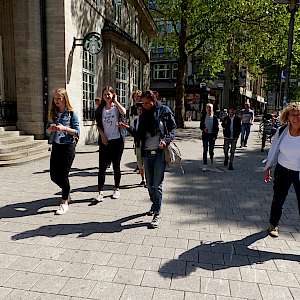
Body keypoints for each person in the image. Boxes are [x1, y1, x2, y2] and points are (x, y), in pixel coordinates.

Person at [119, 90, 176, 228]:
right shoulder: (143, 115)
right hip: (146, 154)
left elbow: (172, 130)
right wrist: (127, 128)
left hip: (159, 153)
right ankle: (155, 203)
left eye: (146, 103)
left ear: (153, 99)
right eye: (142, 103)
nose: (144, 106)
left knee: (157, 184)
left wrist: (166, 141)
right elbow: (139, 135)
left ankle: (157, 213)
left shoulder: (164, 111)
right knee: (149, 185)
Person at [264, 103, 300, 238]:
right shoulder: (282, 131)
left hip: (299, 173)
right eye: (293, 115)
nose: (296, 118)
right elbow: (273, 151)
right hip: (282, 170)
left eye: (299, 115)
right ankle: (273, 225)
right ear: (288, 116)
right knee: (278, 199)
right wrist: (268, 167)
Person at [47, 88, 80, 215]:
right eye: (55, 98)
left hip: (68, 147)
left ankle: (64, 201)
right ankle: (67, 191)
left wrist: (64, 128)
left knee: (63, 175)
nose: (57, 101)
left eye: (59, 98)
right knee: (54, 176)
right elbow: (47, 131)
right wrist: (50, 129)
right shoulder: (53, 113)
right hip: (56, 146)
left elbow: (77, 132)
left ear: (65, 99)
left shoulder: (71, 114)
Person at [95, 86, 126, 202]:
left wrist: (116, 101)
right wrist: (102, 135)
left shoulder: (116, 108)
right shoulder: (100, 109)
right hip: (105, 142)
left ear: (113, 94)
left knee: (116, 166)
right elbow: (98, 124)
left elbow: (124, 112)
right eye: (105, 94)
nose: (107, 96)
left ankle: (116, 189)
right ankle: (100, 192)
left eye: (109, 94)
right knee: (102, 168)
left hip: (117, 141)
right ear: (102, 96)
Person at [200, 103, 219, 171]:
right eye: (208, 108)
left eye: (210, 108)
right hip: (205, 136)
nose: (209, 109)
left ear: (212, 109)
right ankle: (205, 164)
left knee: (211, 150)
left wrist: (215, 136)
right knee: (205, 150)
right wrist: (204, 129)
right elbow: (201, 126)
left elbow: (217, 128)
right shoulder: (203, 117)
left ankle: (211, 161)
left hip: (212, 136)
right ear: (206, 109)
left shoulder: (215, 118)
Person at [221, 105, 241, 170]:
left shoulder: (237, 119)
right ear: (229, 111)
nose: (231, 111)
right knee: (225, 150)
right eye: (230, 110)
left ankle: (231, 164)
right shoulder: (226, 118)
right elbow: (223, 125)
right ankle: (226, 157)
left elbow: (239, 128)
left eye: (233, 110)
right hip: (227, 137)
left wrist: (237, 136)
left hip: (234, 137)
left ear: (235, 111)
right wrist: (224, 125)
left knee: (232, 151)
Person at [133, 104, 146, 187]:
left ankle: (147, 180)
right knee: (140, 163)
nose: (140, 111)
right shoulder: (135, 121)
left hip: (146, 144)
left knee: (146, 163)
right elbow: (134, 132)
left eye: (141, 109)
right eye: (138, 109)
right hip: (138, 144)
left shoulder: (147, 119)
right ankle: (143, 179)